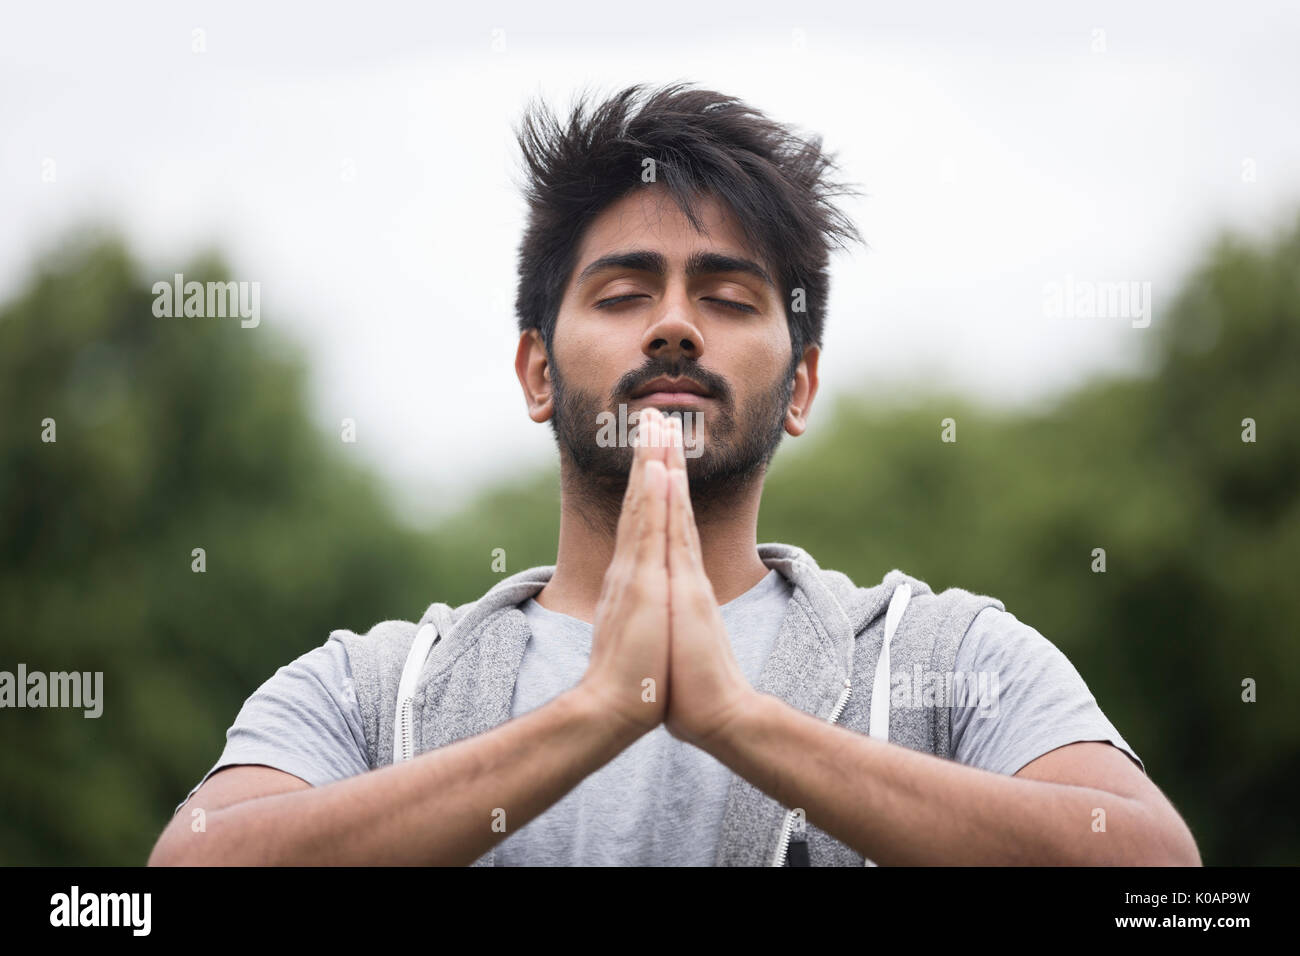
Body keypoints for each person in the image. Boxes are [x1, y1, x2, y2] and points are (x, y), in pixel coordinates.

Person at [149, 82, 1200, 866]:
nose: (672, 325)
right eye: (620, 291)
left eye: (731, 297)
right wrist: (594, 711)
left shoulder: (945, 657)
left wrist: (740, 718)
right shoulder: (373, 689)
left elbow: (1163, 879)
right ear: (534, 369)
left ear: (800, 385)